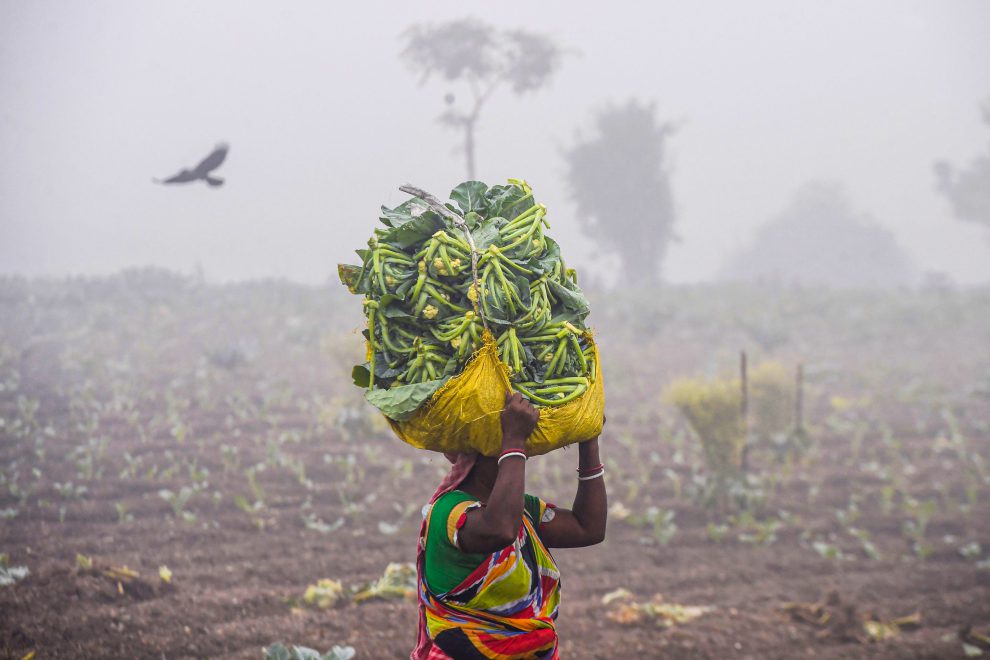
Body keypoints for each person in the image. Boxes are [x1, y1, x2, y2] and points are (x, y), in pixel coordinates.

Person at [412, 392, 607, 659]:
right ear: (489, 453)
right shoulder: (448, 512)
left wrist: (589, 443)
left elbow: (588, 528)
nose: (523, 458)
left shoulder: (522, 512)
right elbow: (501, 530)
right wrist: (514, 440)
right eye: (510, 453)